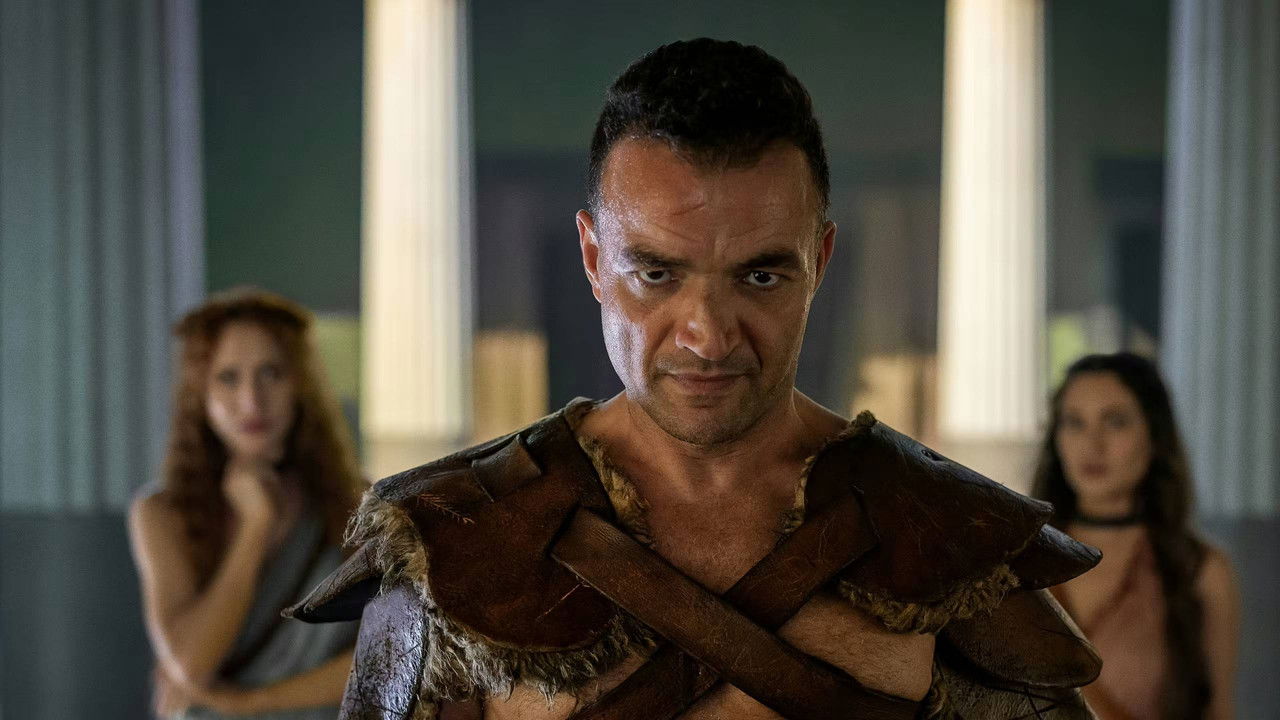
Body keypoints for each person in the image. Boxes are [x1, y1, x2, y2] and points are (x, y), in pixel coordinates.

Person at [289, 39, 1103, 719]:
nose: (708, 335)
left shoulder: (948, 537)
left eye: (760, 276)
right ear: (593, 257)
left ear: (819, 260)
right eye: (656, 274)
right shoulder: (455, 539)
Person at [128, 289, 363, 718]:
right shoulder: (161, 512)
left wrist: (253, 702)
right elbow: (190, 665)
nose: (252, 401)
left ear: (300, 384)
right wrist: (255, 528)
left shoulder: (360, 503)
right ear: (199, 393)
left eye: (271, 373)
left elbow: (389, 652)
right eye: (228, 378)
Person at [1032, 353, 1240, 720]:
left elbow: (1218, 711)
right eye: (1074, 422)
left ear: (1154, 436)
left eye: (1115, 421)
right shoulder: (1019, 562)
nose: (1092, 444)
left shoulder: (1201, 571)